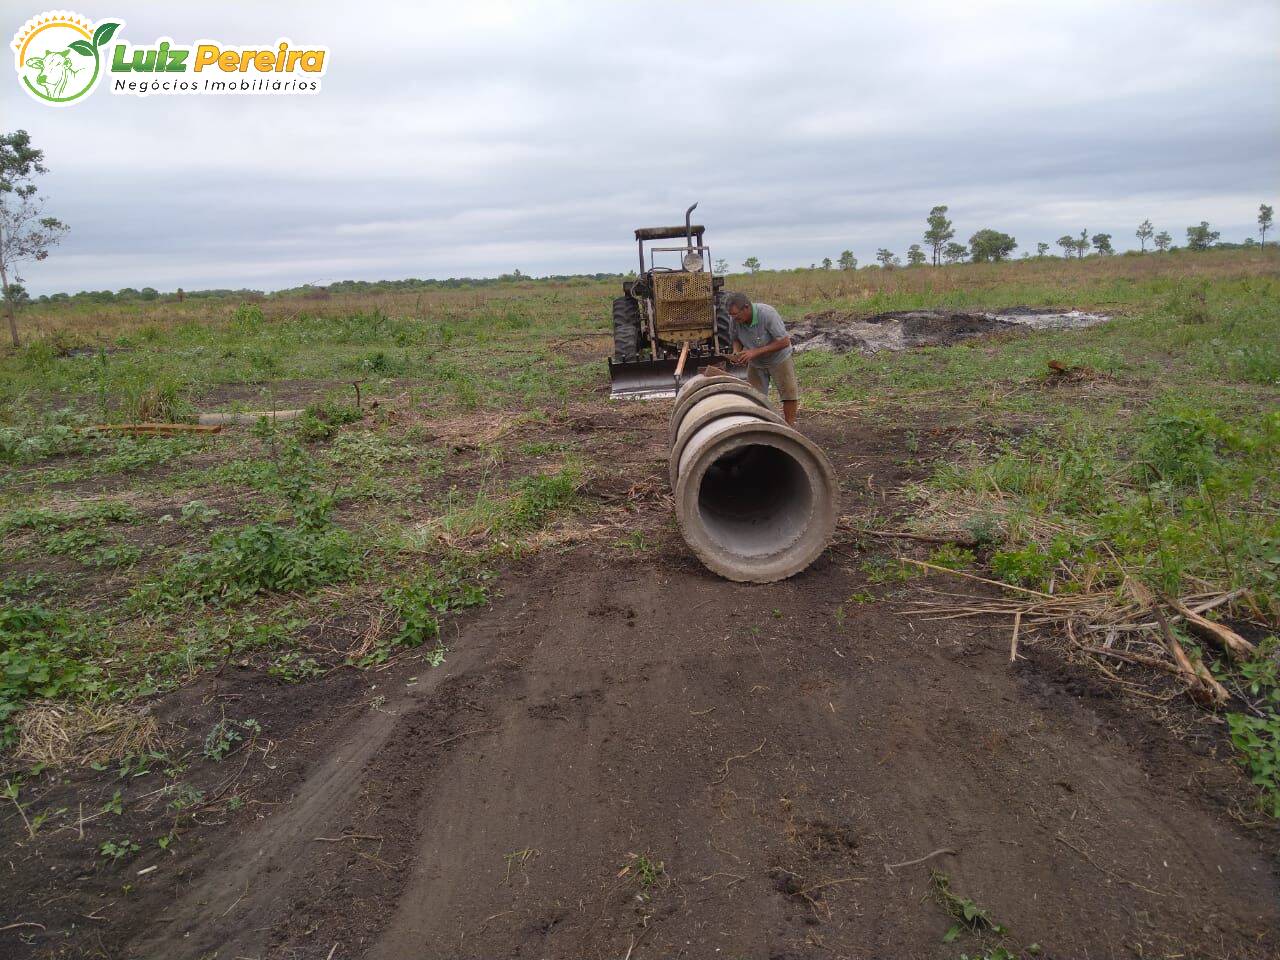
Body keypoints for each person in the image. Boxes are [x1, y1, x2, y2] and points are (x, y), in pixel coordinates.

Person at [723, 291, 798, 425]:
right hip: (756, 362)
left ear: (746, 307)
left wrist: (755, 352)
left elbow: (784, 341)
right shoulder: (734, 319)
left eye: (736, 315)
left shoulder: (768, 314)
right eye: (731, 315)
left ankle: (790, 427)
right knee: (754, 396)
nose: (733, 318)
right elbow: (736, 339)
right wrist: (736, 352)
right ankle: (759, 425)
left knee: (789, 394)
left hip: (779, 358)